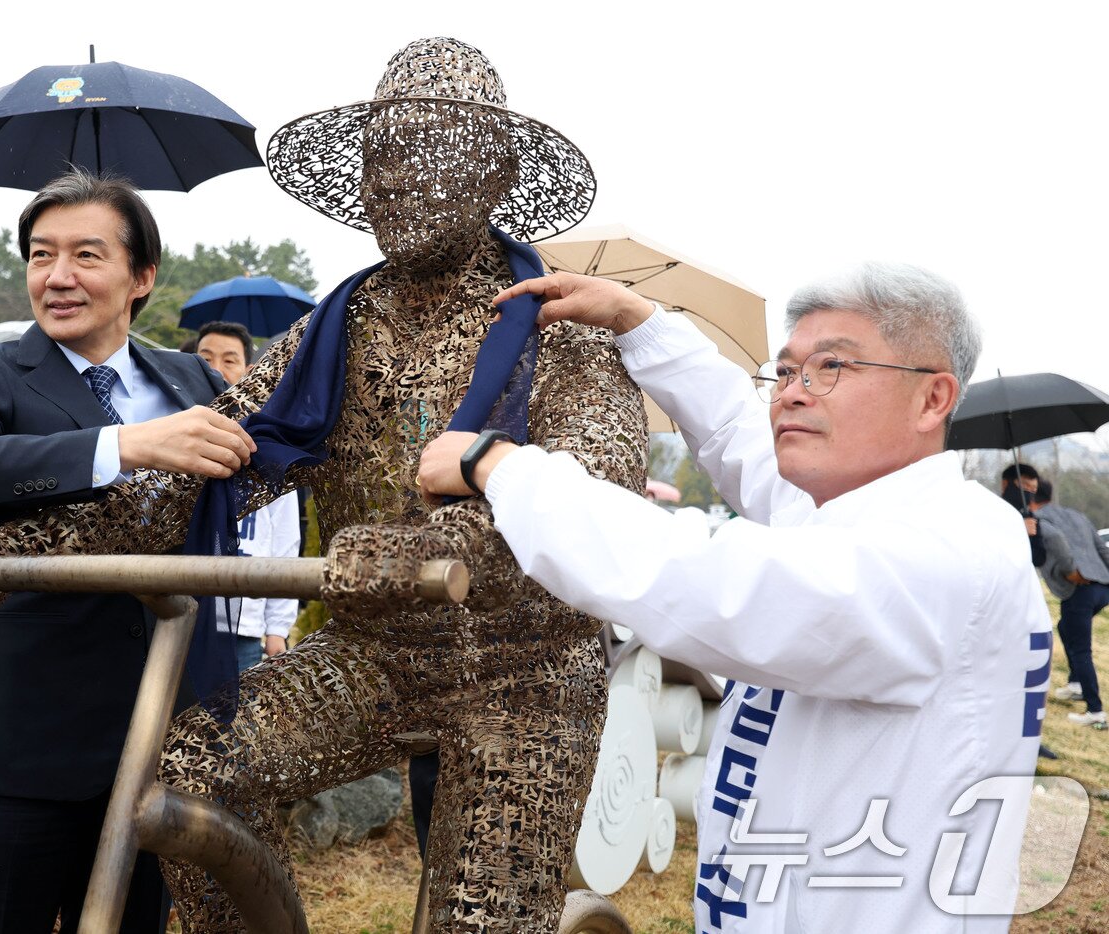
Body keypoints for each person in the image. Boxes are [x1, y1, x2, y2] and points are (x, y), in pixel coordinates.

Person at [0, 37, 642, 933]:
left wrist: (445, 542)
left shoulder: (560, 324)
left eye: (425, 155)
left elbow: (600, 483)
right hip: (376, 653)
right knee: (194, 773)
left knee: (481, 916)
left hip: (522, 672)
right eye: (381, 159)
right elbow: (195, 478)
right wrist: (8, 553)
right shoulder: (336, 329)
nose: (398, 182)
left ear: (494, 174)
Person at [420, 263, 1051, 932]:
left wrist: (501, 467)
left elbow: (708, 585)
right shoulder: (849, 510)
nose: (791, 395)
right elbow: (735, 432)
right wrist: (641, 322)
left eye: (831, 367)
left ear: (932, 399)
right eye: (786, 372)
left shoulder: (950, 552)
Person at [0, 169, 254, 934]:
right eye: (41, 254)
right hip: (16, 757)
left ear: (142, 277)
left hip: (158, 749)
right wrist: (122, 445)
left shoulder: (193, 379)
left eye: (86, 255)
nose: (57, 276)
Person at [195, 320, 300, 670]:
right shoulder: (173, 435)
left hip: (242, 625)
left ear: (249, 371)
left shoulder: (268, 447)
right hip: (183, 616)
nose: (216, 369)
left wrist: (277, 628)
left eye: (229, 360)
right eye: (205, 359)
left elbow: (285, 543)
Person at [1032, 481, 1109, 726]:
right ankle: (1076, 684)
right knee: (1066, 627)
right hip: (1102, 586)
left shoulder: (1038, 520)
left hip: (1079, 588)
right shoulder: (1076, 515)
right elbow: (1102, 548)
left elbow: (1056, 541)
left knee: (1081, 649)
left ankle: (1095, 711)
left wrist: (1071, 572)